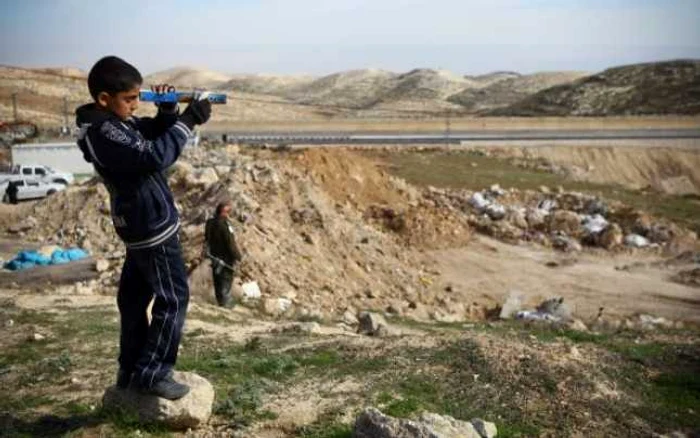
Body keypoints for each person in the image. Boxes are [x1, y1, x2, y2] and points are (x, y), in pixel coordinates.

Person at [75, 56, 212, 400]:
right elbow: (152, 156)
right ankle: (153, 373)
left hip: (140, 224)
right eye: (130, 99)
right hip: (151, 227)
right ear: (104, 99)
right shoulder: (104, 130)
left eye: (139, 97)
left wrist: (167, 114)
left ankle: (131, 366)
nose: (136, 105)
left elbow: (144, 134)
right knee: (174, 297)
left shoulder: (110, 123)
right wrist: (187, 121)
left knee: (134, 299)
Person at [204, 200, 243, 307]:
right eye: (228, 212)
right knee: (226, 279)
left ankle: (220, 300)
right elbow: (230, 242)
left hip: (214, 255)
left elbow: (207, 239)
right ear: (224, 212)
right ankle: (225, 303)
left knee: (217, 279)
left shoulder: (210, 223)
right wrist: (238, 256)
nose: (228, 215)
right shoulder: (225, 225)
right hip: (226, 258)